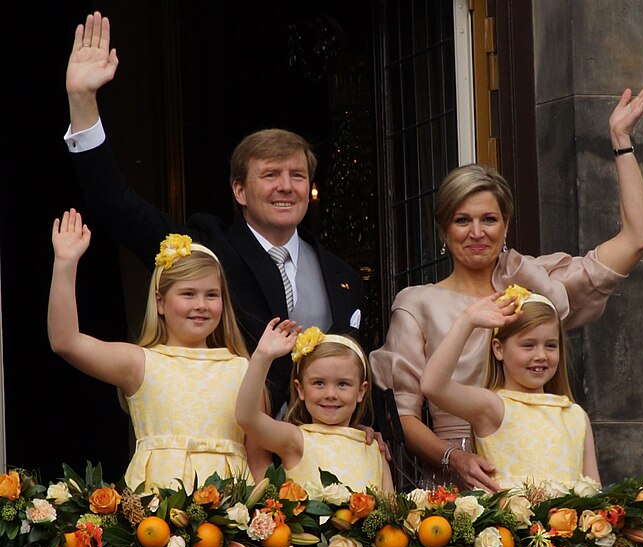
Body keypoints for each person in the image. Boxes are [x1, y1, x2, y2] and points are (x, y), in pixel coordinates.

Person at [370, 74, 643, 492]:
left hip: (542, 471)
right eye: (462, 220)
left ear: (505, 224)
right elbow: (402, 416)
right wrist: (454, 457)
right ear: (443, 231)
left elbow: (639, 238)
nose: (477, 232)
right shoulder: (417, 303)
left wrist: (620, 138)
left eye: (489, 219)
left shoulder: (536, 286)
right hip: (462, 484)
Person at [64, 11, 362, 419]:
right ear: (239, 190)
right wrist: (83, 103)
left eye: (297, 175)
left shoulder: (340, 274)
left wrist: (368, 428)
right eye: (270, 175)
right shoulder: (208, 248)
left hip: (317, 454)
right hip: (232, 444)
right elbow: (117, 206)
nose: (286, 186)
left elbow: (357, 368)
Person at [48, 209, 271, 490]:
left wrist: (265, 522)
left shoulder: (243, 369)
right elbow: (65, 341)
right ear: (161, 302)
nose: (200, 304)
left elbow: (258, 460)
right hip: (154, 516)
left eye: (211, 295)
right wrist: (65, 263)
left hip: (230, 519)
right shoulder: (141, 362)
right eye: (188, 294)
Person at [420, 286, 600, 489]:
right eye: (528, 345)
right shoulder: (493, 407)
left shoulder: (576, 415)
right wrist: (467, 321)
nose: (541, 355)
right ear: (499, 349)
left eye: (550, 345)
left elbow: (594, 492)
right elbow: (432, 385)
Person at [235, 321, 393, 494]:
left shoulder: (374, 449)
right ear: (300, 389)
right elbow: (247, 417)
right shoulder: (295, 439)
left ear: (361, 391)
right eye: (319, 383)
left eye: (343, 384)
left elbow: (390, 512)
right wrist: (262, 357)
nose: (330, 394)